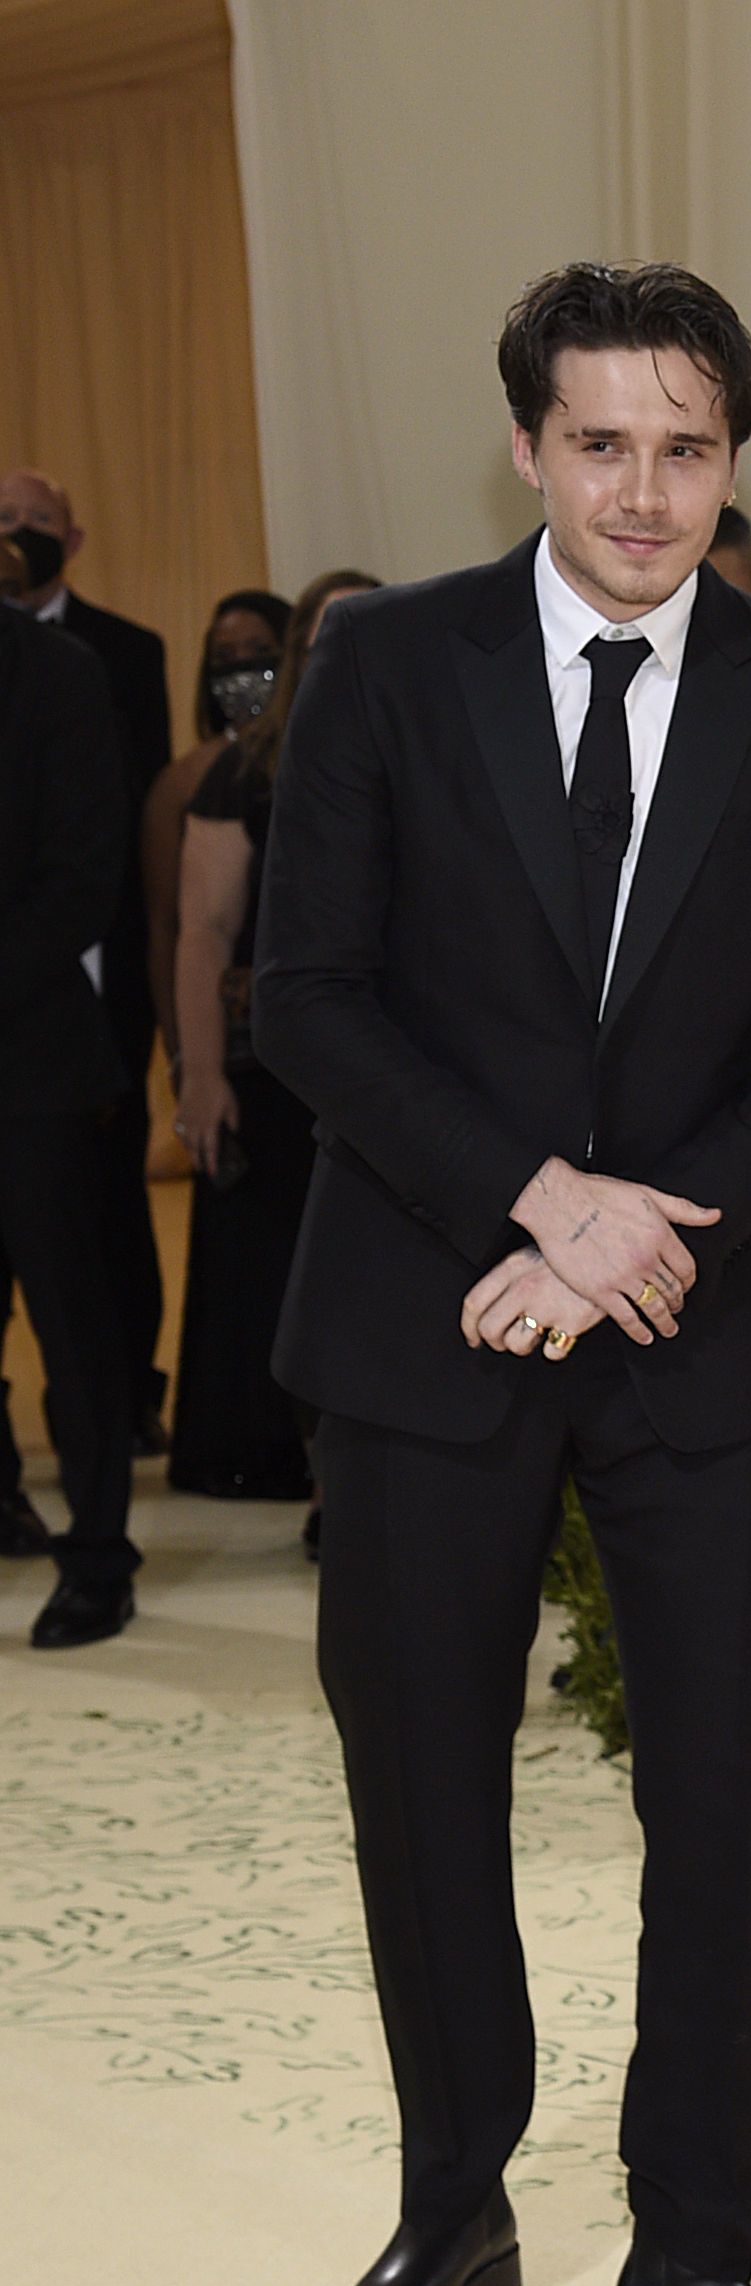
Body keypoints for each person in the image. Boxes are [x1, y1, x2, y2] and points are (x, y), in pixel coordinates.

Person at [252, 261, 751, 2286]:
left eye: (686, 449)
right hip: (423, 1310)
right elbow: (308, 998)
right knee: (420, 1785)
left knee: (723, 1808)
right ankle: (451, 2215)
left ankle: (692, 2270)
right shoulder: (385, 664)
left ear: (731, 460)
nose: (643, 493)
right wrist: (538, 1201)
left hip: (695, 1327)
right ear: (525, 446)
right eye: (602, 444)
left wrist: (635, 1231)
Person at [169, 570, 379, 1501]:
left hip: (397, 1070)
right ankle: (310, 1480)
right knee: (288, 1285)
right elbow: (203, 931)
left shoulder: (431, 748)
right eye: (324, 633)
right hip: (273, 1068)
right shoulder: (247, 768)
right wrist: (200, 1073)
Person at [0, 469, 174, 1449]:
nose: (17, 537)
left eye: (36, 523)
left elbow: (96, 857)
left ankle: (109, 1464)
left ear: (69, 541)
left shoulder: (94, 661)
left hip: (57, 1017)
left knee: (81, 1263)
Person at [0, 565, 141, 1642]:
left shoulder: (56, 674)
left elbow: (87, 878)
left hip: (33, 1063)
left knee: (71, 1324)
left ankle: (97, 1556)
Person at [142, 589, 292, 1057]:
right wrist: (183, 1054)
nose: (242, 668)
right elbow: (165, 926)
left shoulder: (322, 756)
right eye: (225, 657)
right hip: (231, 1021)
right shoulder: (180, 782)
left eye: (260, 651)